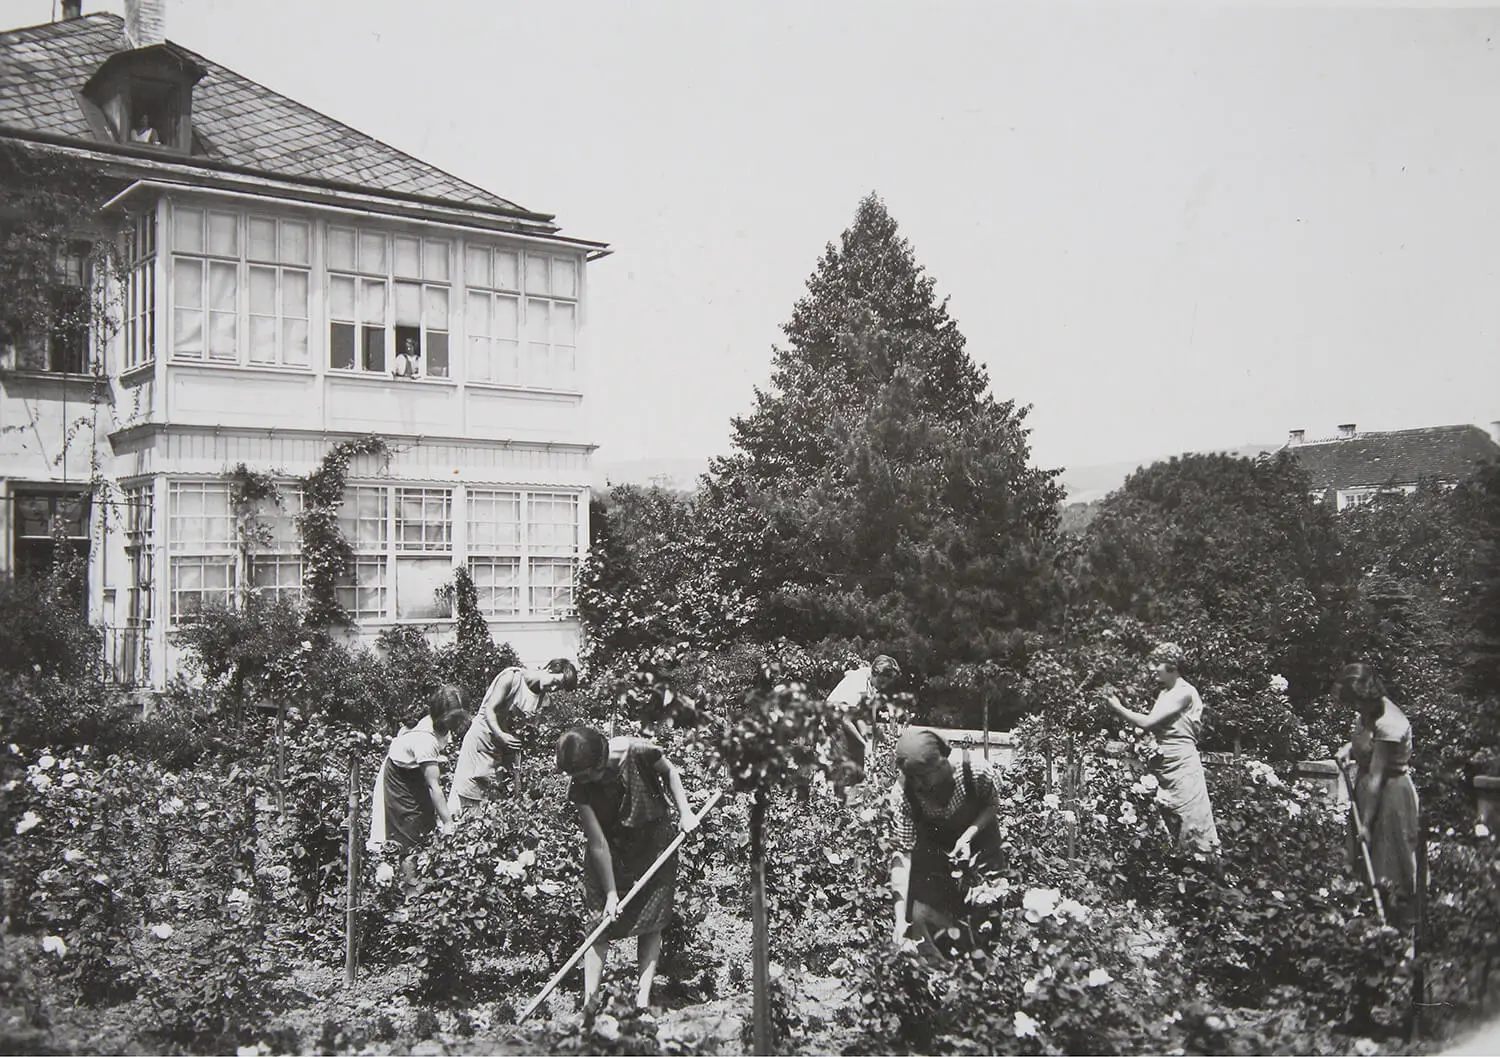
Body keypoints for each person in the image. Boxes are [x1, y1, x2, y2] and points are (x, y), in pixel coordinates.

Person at [556, 725, 700, 1014]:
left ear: (600, 762)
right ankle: (590, 1003)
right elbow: (596, 841)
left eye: (585, 776)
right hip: (610, 849)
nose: (581, 782)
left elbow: (670, 772)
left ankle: (642, 1000)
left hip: (653, 844)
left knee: (651, 920)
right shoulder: (580, 783)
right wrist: (610, 893)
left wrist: (685, 812)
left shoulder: (638, 751)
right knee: (598, 925)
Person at [889, 728, 1003, 954]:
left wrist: (968, 836)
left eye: (922, 776)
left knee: (986, 912)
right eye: (911, 777)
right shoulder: (903, 793)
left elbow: (992, 805)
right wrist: (900, 918)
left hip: (981, 843)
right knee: (924, 915)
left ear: (941, 764)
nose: (917, 784)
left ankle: (986, 971)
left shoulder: (977, 770)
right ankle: (937, 977)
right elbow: (903, 855)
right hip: (935, 852)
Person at [1105, 642, 1221, 857]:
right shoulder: (1165, 694)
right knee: (1167, 821)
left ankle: (1203, 871)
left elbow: (1148, 722)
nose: (1152, 668)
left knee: (1192, 818)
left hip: (1182, 764)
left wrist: (1118, 707)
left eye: (1157, 663)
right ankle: (1174, 873)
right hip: (1164, 764)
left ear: (1172, 665)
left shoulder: (1185, 692)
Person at [1334, 662, 1419, 924]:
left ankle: (1397, 927)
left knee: (1388, 862)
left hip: (1390, 795)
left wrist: (1367, 824)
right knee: (1360, 860)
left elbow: (1377, 776)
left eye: (1356, 702)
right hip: (1368, 790)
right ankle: (1365, 923)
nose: (1355, 709)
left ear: (1366, 695)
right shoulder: (1368, 713)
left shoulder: (1390, 721)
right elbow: (1366, 744)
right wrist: (1350, 749)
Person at [448, 659, 578, 817]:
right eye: (556, 681)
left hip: (502, 752)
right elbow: (490, 710)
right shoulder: (512, 678)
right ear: (549, 669)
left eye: (559, 688)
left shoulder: (542, 699)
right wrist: (501, 734)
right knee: (471, 795)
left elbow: (527, 731)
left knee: (497, 803)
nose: (554, 688)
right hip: (481, 743)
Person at [375, 684, 470, 887]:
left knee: (426, 824)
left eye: (460, 717)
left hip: (414, 773)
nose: (458, 722)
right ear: (440, 714)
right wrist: (448, 823)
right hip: (400, 778)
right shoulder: (424, 739)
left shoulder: (441, 726)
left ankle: (423, 884)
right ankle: (410, 893)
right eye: (453, 717)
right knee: (410, 832)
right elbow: (433, 786)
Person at [827, 654, 902, 793]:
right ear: (877, 674)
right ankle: (839, 805)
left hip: (846, 721)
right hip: (835, 724)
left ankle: (854, 804)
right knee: (845, 771)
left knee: (859, 770)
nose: (884, 687)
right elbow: (846, 720)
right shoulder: (858, 682)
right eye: (883, 682)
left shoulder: (870, 679)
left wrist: (874, 737)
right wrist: (865, 744)